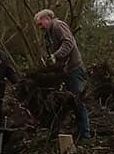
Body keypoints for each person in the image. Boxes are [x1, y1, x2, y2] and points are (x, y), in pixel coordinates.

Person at [34, 9, 90, 141]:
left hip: (74, 69)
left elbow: (68, 43)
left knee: (77, 101)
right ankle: (69, 131)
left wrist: (56, 55)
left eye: (40, 24)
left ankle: (85, 135)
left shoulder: (58, 25)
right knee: (64, 101)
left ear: (47, 18)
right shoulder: (48, 33)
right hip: (64, 72)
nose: (39, 27)